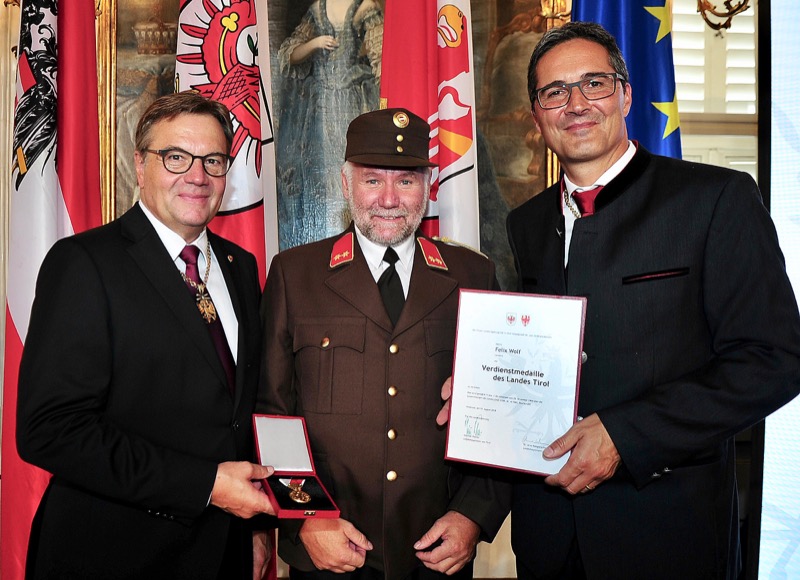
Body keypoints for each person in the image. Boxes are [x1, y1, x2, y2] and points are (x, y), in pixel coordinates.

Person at [505, 21, 800, 580]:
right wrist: (492, 386)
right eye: (555, 92)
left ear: (625, 95)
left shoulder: (715, 199)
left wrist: (628, 435)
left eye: (594, 83)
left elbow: (774, 360)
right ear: (537, 115)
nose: (576, 104)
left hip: (668, 534)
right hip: (548, 536)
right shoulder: (526, 223)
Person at [17, 92, 276, 579]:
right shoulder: (84, 263)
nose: (197, 176)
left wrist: (258, 529)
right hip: (113, 555)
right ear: (140, 165)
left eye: (213, 160)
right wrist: (205, 485)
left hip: (224, 553)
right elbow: (49, 430)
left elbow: (242, 416)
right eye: (176, 157)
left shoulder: (241, 268)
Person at [260, 108, 509, 579]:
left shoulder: (473, 274)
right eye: (372, 180)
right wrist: (307, 517)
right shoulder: (296, 275)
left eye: (406, 181)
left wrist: (473, 516)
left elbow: (498, 411)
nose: (390, 200)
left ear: (429, 186)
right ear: (345, 183)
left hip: (437, 550)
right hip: (328, 551)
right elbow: (273, 414)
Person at [276, 0, 383, 249]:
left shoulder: (365, 6)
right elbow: (289, 55)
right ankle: (327, 246)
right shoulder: (317, 9)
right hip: (319, 111)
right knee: (321, 179)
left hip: (352, 106)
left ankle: (357, 245)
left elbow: (380, 59)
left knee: (352, 172)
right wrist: (314, 43)